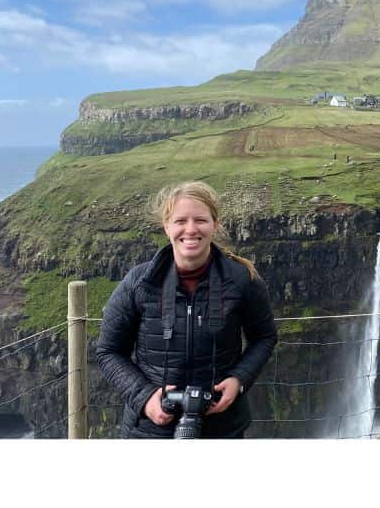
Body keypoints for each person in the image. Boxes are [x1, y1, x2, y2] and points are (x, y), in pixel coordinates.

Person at [96, 181, 277, 438]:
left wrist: (239, 380)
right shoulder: (138, 283)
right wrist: (144, 396)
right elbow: (108, 350)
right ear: (166, 227)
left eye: (200, 220)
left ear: (215, 224)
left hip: (223, 427)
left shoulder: (243, 280)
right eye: (180, 221)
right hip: (150, 432)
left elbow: (264, 336)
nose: (190, 229)